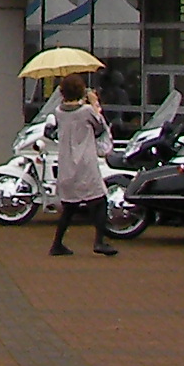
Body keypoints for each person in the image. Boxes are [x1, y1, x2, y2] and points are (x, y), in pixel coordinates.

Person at [46, 75, 118, 257]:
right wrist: (94, 103)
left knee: (69, 207)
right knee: (99, 201)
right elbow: (100, 127)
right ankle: (99, 241)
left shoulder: (59, 111)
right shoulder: (86, 111)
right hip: (85, 164)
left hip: (66, 165)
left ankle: (57, 244)